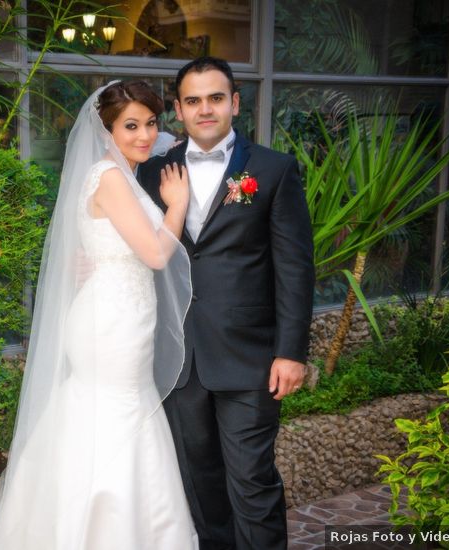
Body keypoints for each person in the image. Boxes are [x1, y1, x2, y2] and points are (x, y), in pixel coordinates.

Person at [0, 81, 198, 549]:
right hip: (111, 324)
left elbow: (104, 246)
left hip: (116, 313)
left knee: (105, 412)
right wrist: (177, 206)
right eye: (130, 125)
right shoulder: (110, 178)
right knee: (117, 412)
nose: (144, 135)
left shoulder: (114, 175)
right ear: (106, 130)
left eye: (151, 123)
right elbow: (157, 255)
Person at [136, 57, 315, 550]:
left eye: (216, 98)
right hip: (177, 360)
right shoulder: (150, 174)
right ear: (178, 110)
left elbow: (296, 268)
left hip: (250, 359)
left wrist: (292, 351)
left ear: (235, 102)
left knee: (252, 482)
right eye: (193, 101)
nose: (205, 109)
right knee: (201, 487)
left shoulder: (273, 170)